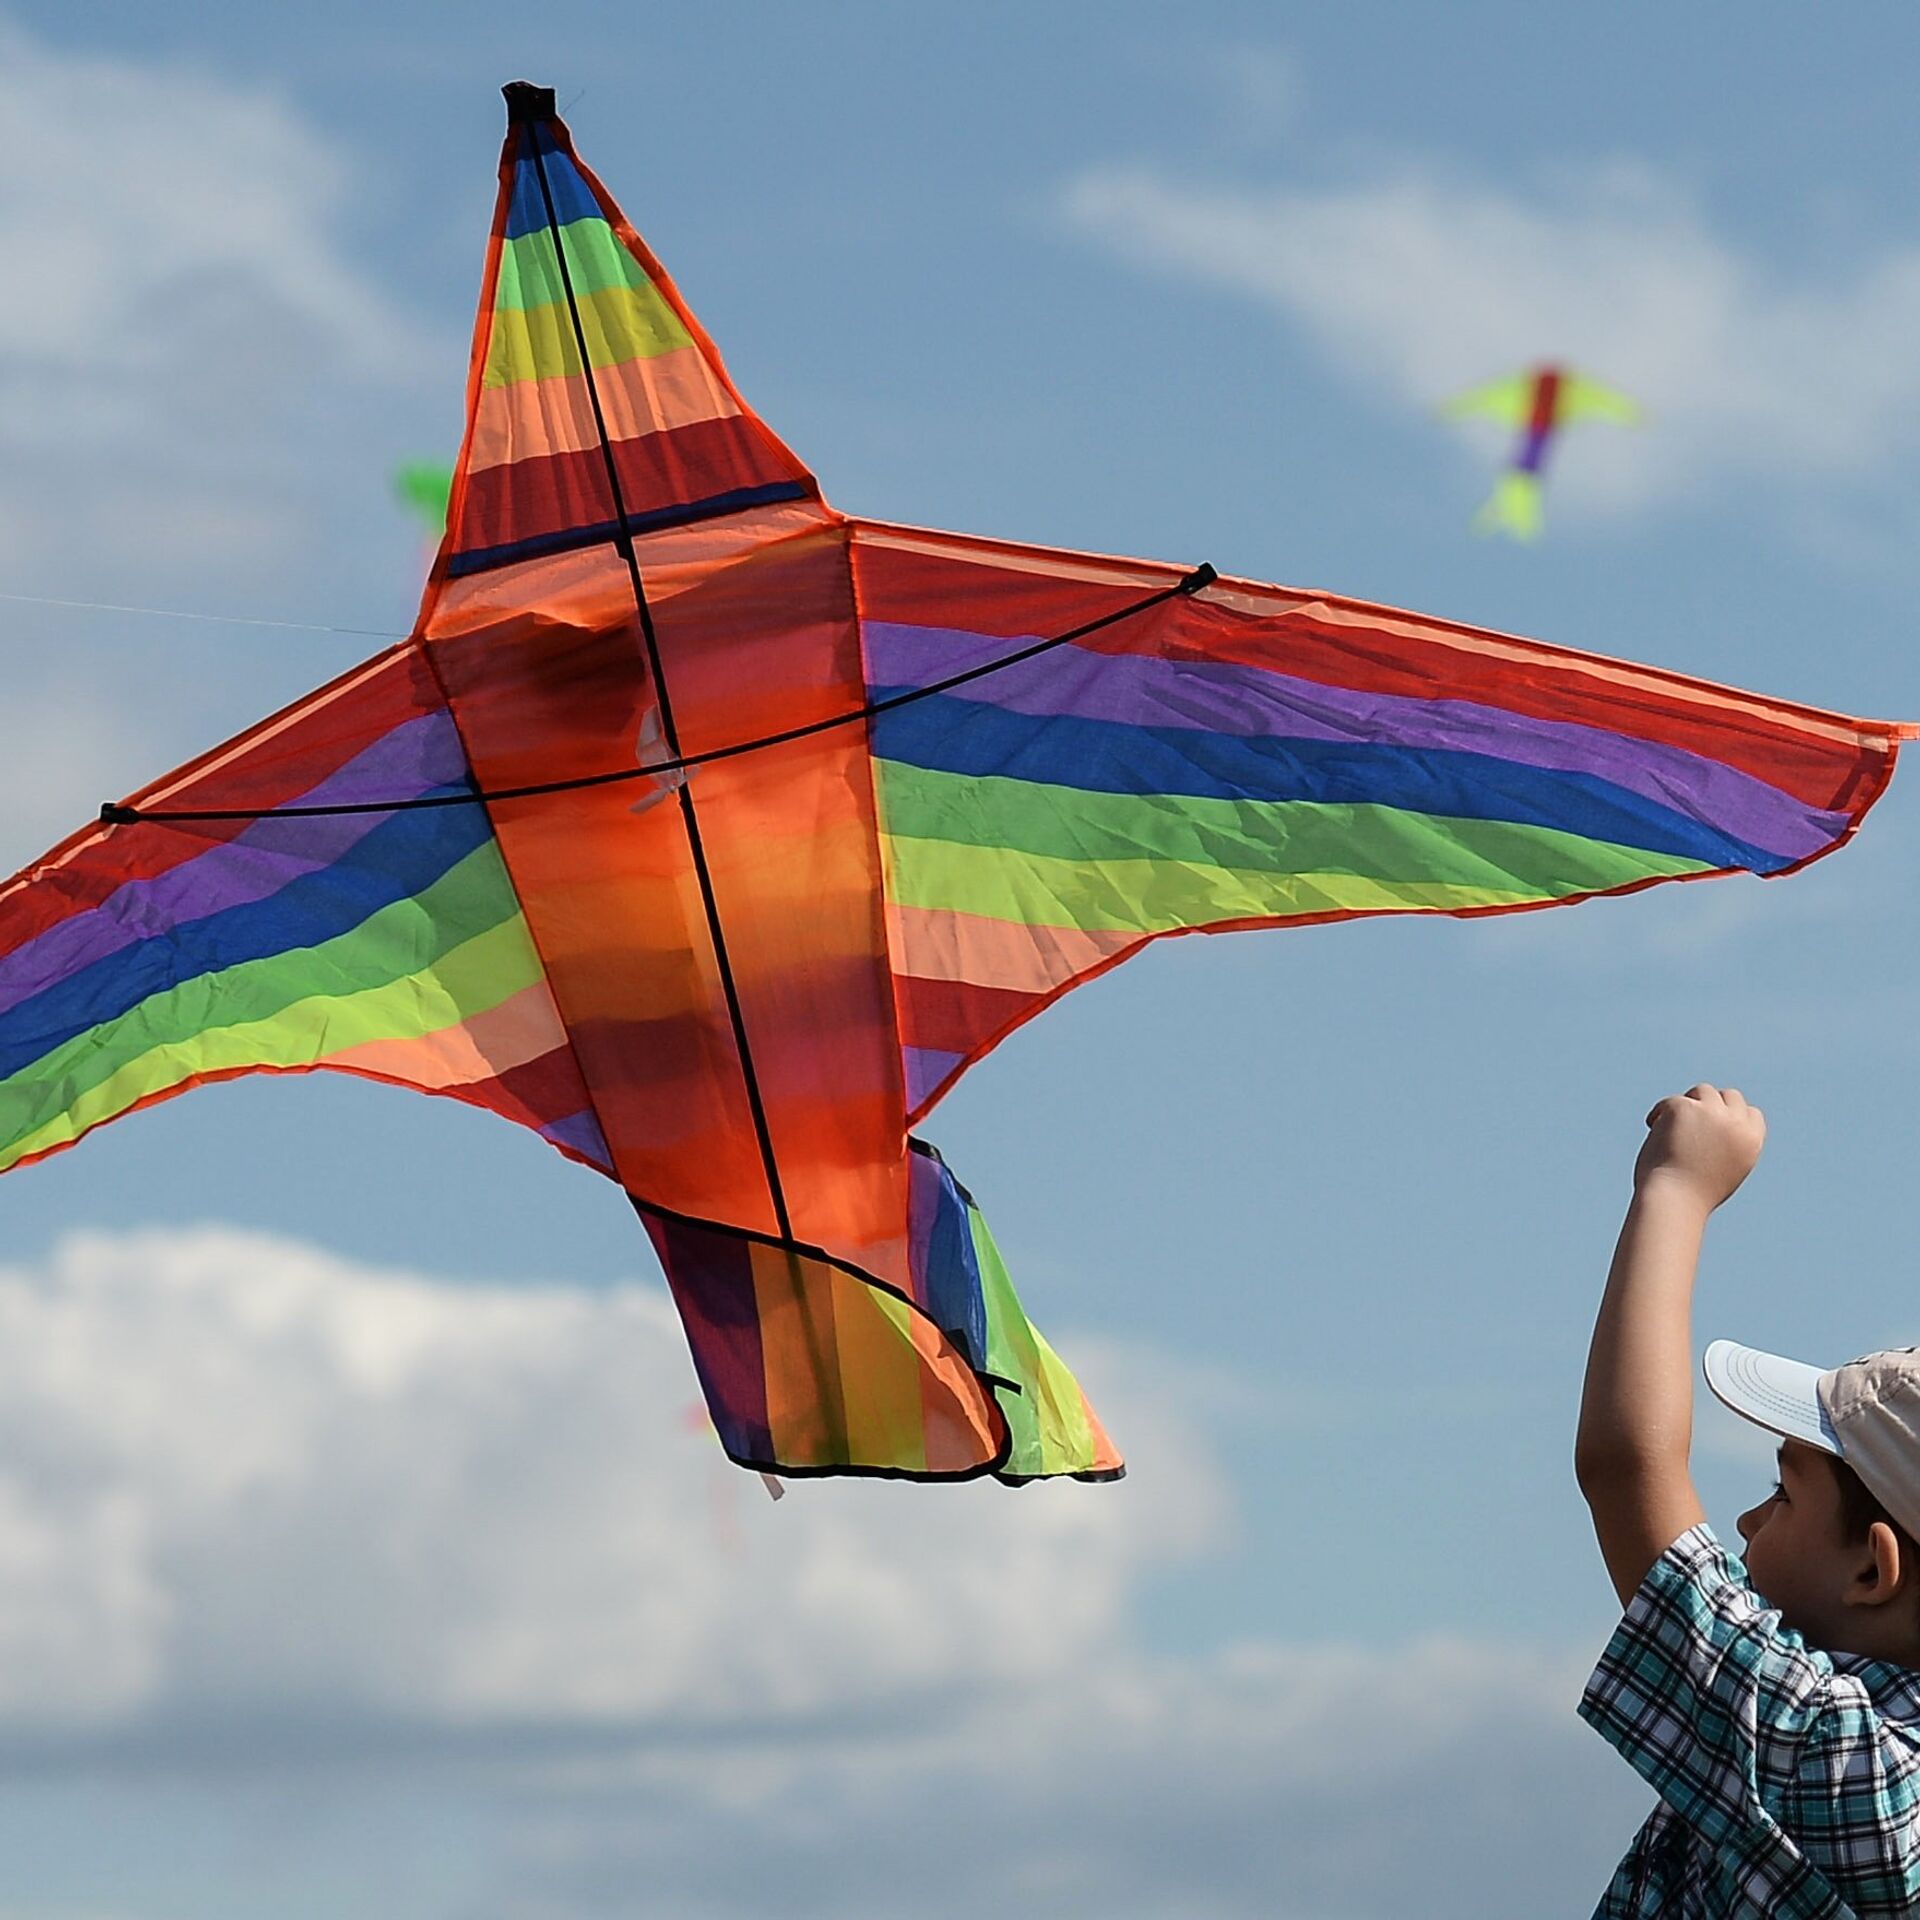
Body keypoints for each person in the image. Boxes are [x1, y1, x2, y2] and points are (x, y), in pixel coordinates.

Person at [1576, 1083, 1920, 1916]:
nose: (1744, 1523)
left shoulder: (1849, 1771)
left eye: (1782, 1496)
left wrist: (1676, 1190)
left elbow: (1628, 1469)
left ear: (1874, 1570)